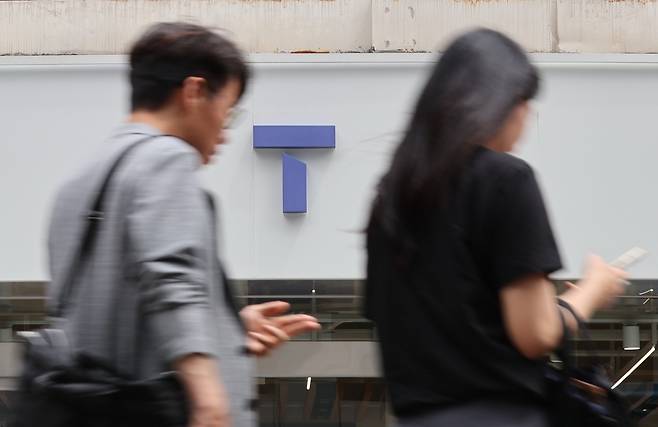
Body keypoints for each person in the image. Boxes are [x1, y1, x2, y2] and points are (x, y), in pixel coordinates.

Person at [46, 22, 319, 427]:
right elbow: (171, 281)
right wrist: (210, 403)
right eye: (228, 110)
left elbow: (109, 314)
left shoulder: (81, 182)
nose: (225, 132)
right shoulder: (166, 160)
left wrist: (222, 327)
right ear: (193, 92)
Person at [364, 29, 627, 427]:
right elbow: (534, 333)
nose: (527, 116)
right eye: (524, 102)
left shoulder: (390, 198)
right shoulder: (506, 179)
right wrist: (593, 290)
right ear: (500, 103)